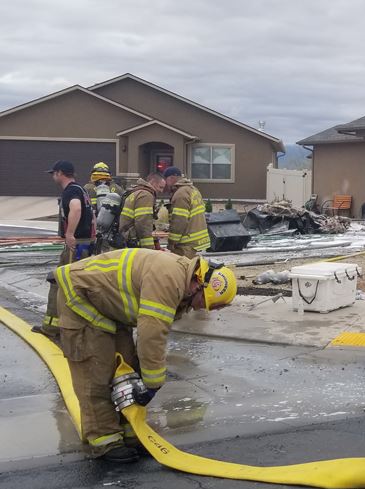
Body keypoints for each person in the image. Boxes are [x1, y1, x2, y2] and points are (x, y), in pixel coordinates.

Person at [54, 249, 237, 462]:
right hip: (81, 297)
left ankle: (131, 432)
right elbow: (151, 333)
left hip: (109, 308)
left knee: (126, 371)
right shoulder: (169, 279)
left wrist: (143, 374)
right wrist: (152, 383)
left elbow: (150, 338)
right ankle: (104, 440)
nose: (204, 310)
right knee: (96, 371)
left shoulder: (183, 282)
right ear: (198, 284)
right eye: (206, 304)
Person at [32, 160, 94, 338]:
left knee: (59, 282)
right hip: (86, 243)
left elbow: (76, 209)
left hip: (76, 244)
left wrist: (70, 234)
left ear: (60, 173)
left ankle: (53, 328)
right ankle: (79, 325)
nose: (53, 176)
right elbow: (93, 217)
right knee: (79, 284)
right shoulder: (82, 190)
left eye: (54, 173)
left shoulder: (71, 191)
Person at [163, 167, 210, 258]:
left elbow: (179, 221)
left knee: (181, 269)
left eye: (166, 180)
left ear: (171, 178)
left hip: (186, 242)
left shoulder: (180, 193)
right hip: (195, 239)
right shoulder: (193, 189)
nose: (165, 184)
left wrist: (172, 242)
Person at [119, 173, 166, 249]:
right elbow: (143, 224)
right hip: (133, 241)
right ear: (153, 182)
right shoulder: (145, 195)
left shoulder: (137, 191)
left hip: (127, 238)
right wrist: (149, 249)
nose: (161, 191)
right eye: (160, 187)